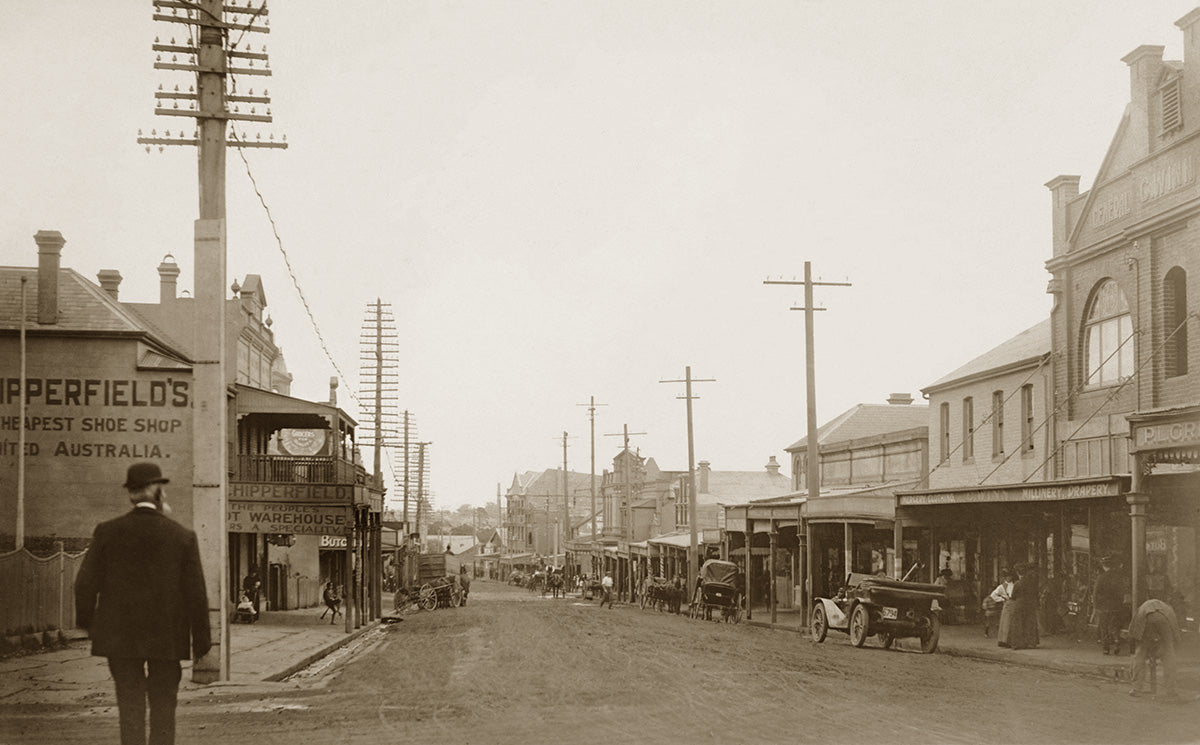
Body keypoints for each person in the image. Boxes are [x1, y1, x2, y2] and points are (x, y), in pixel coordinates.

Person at [74, 462, 211, 745]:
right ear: (157, 491)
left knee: (130, 705)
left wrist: (89, 624)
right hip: (167, 637)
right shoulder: (182, 536)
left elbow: (85, 584)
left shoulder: (107, 531)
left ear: (131, 494)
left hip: (120, 636)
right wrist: (202, 641)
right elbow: (195, 593)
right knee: (164, 706)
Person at [1128, 597, 1182, 700]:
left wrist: (1134, 649)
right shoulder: (1168, 609)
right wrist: (1173, 647)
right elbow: (1175, 632)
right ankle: (1171, 690)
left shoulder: (1142, 606)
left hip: (1146, 618)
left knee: (1140, 653)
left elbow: (1133, 630)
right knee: (1168, 653)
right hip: (1164, 620)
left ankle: (1136, 689)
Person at [1093, 556, 1125, 655]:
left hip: (1103, 608)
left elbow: (1095, 593)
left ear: (1103, 566)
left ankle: (1106, 648)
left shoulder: (1101, 577)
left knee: (1104, 628)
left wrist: (1095, 606)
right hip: (1116, 607)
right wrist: (1120, 603)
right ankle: (1117, 643)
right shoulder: (1118, 577)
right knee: (1114, 626)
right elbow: (1121, 592)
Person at [1008, 563, 1040, 650]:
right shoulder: (1031, 582)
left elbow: (1013, 596)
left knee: (1018, 623)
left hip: (1019, 604)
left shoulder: (1017, 583)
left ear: (1018, 573)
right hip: (1029, 604)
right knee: (1029, 623)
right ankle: (1031, 643)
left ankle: (1018, 644)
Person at [985, 569, 1013, 640]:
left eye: (1010, 576)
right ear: (1005, 578)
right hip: (1007, 605)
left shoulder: (1014, 584)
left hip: (1014, 604)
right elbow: (993, 595)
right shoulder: (1002, 586)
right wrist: (1002, 599)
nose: (1009, 578)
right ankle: (1005, 639)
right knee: (1006, 623)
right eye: (1007, 576)